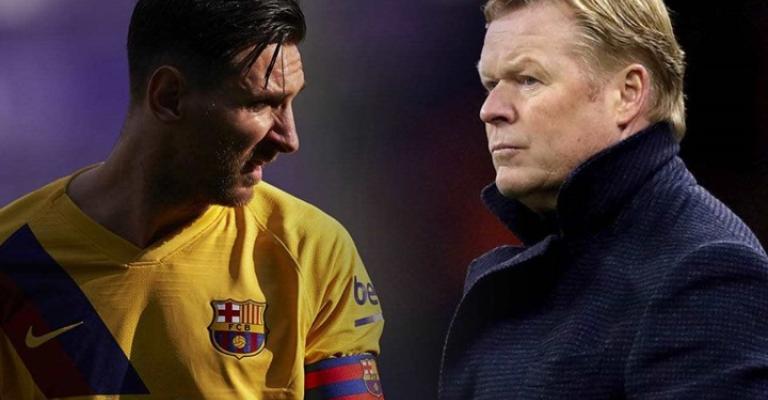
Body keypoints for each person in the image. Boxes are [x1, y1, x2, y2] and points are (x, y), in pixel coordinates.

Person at [0, 1, 385, 399]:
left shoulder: (310, 250)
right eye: (260, 104)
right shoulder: (14, 254)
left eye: (290, 102)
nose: (289, 139)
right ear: (169, 97)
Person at [439, 0, 768, 398]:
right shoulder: (560, 263)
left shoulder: (706, 272)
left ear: (627, 94)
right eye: (491, 85)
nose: (490, 110)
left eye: (528, 80)